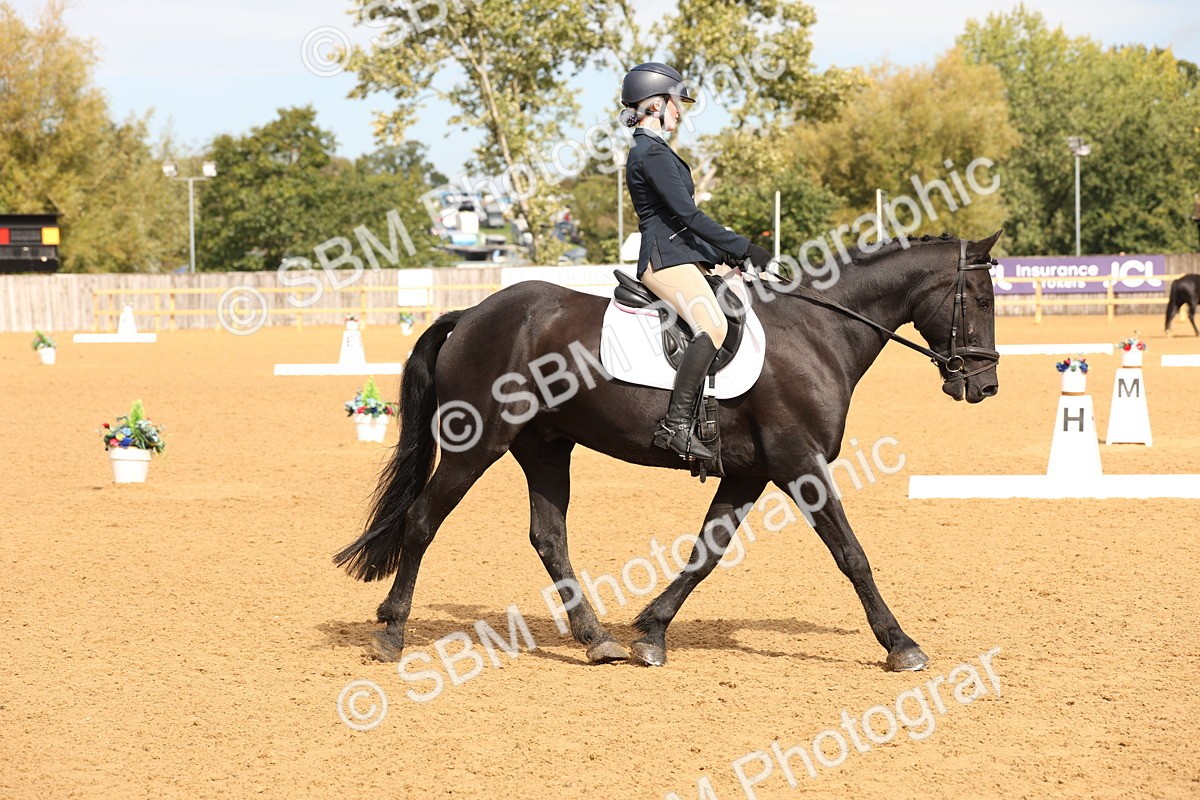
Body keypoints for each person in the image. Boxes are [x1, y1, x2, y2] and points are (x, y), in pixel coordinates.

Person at [619, 62, 773, 461]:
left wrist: (724, 255)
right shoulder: (648, 153)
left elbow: (680, 222)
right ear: (655, 105)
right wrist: (744, 247)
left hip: (679, 254)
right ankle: (675, 426)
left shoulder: (654, 150)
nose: (680, 111)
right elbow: (688, 216)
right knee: (713, 323)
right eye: (675, 103)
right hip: (663, 260)